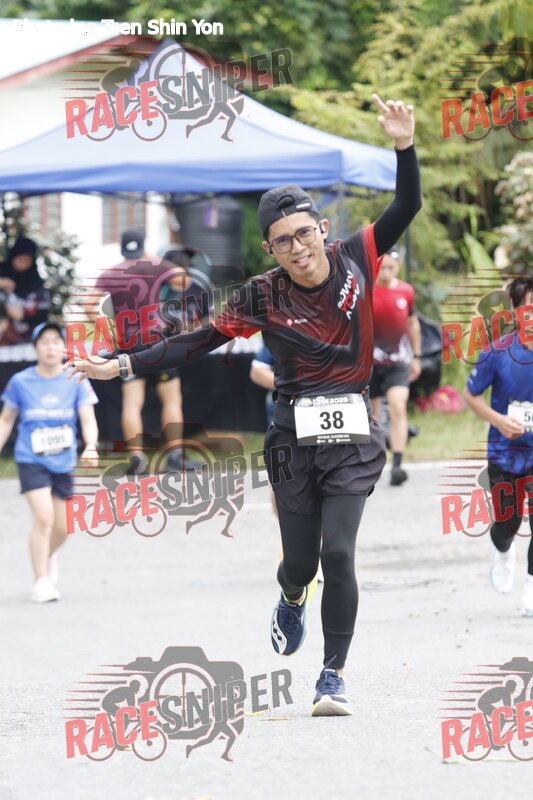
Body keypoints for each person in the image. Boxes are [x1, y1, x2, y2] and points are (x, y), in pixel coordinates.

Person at [65, 93, 421, 715]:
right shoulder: (262, 295)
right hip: (290, 439)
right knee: (300, 563)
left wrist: (403, 144)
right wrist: (120, 363)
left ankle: (332, 675)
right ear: (270, 249)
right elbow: (195, 341)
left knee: (339, 554)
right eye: (283, 241)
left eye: (304, 233)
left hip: (351, 433)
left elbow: (407, 204)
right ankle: (291, 596)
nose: (297, 247)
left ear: (322, 230)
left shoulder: (358, 257)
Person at [0, 322, 99, 602]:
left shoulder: (76, 379)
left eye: (56, 341)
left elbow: (87, 419)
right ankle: (40, 581)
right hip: (31, 458)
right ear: (35, 347)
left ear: (63, 347)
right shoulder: (21, 381)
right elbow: (6, 419)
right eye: (44, 342)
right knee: (43, 517)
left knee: (63, 528)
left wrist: (91, 446)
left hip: (63, 461)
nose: (51, 347)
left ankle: (48, 555)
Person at [462, 275, 533, 616]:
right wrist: (499, 420)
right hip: (505, 453)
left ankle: (531, 583)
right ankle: (503, 551)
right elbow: (470, 396)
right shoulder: (497, 351)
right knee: (508, 524)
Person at [93, 230, 189, 473]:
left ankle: (137, 460)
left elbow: (88, 304)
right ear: (142, 246)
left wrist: (108, 332)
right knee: (171, 398)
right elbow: (184, 280)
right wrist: (152, 257)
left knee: (132, 403)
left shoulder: (110, 273)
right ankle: (175, 456)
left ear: (121, 247)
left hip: (128, 343)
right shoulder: (153, 267)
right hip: (158, 340)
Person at [369, 248, 421, 485]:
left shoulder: (406, 291)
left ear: (398, 267)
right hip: (370, 362)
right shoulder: (366, 289)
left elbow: (412, 323)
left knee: (398, 406)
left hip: (398, 362)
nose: (387, 272)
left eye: (391, 267)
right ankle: (371, 461)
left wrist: (417, 356)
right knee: (371, 415)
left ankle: (397, 465)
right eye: (383, 267)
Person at [0, 236, 50, 345]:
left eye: (27, 260)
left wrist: (21, 316)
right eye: (19, 259)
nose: (22, 264)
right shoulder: (2, 271)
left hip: (27, 341)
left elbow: (43, 316)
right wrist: (2, 282)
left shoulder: (36, 283)